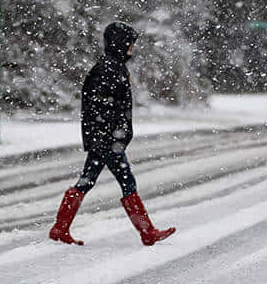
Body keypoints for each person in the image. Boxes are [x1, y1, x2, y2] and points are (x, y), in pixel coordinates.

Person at [48, 21, 176, 246]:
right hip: (107, 139)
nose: (132, 48)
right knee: (127, 182)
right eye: (130, 43)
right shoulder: (108, 68)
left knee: (86, 182)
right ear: (120, 43)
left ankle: (60, 228)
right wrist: (112, 134)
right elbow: (99, 107)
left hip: (105, 138)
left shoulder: (112, 66)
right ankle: (147, 232)